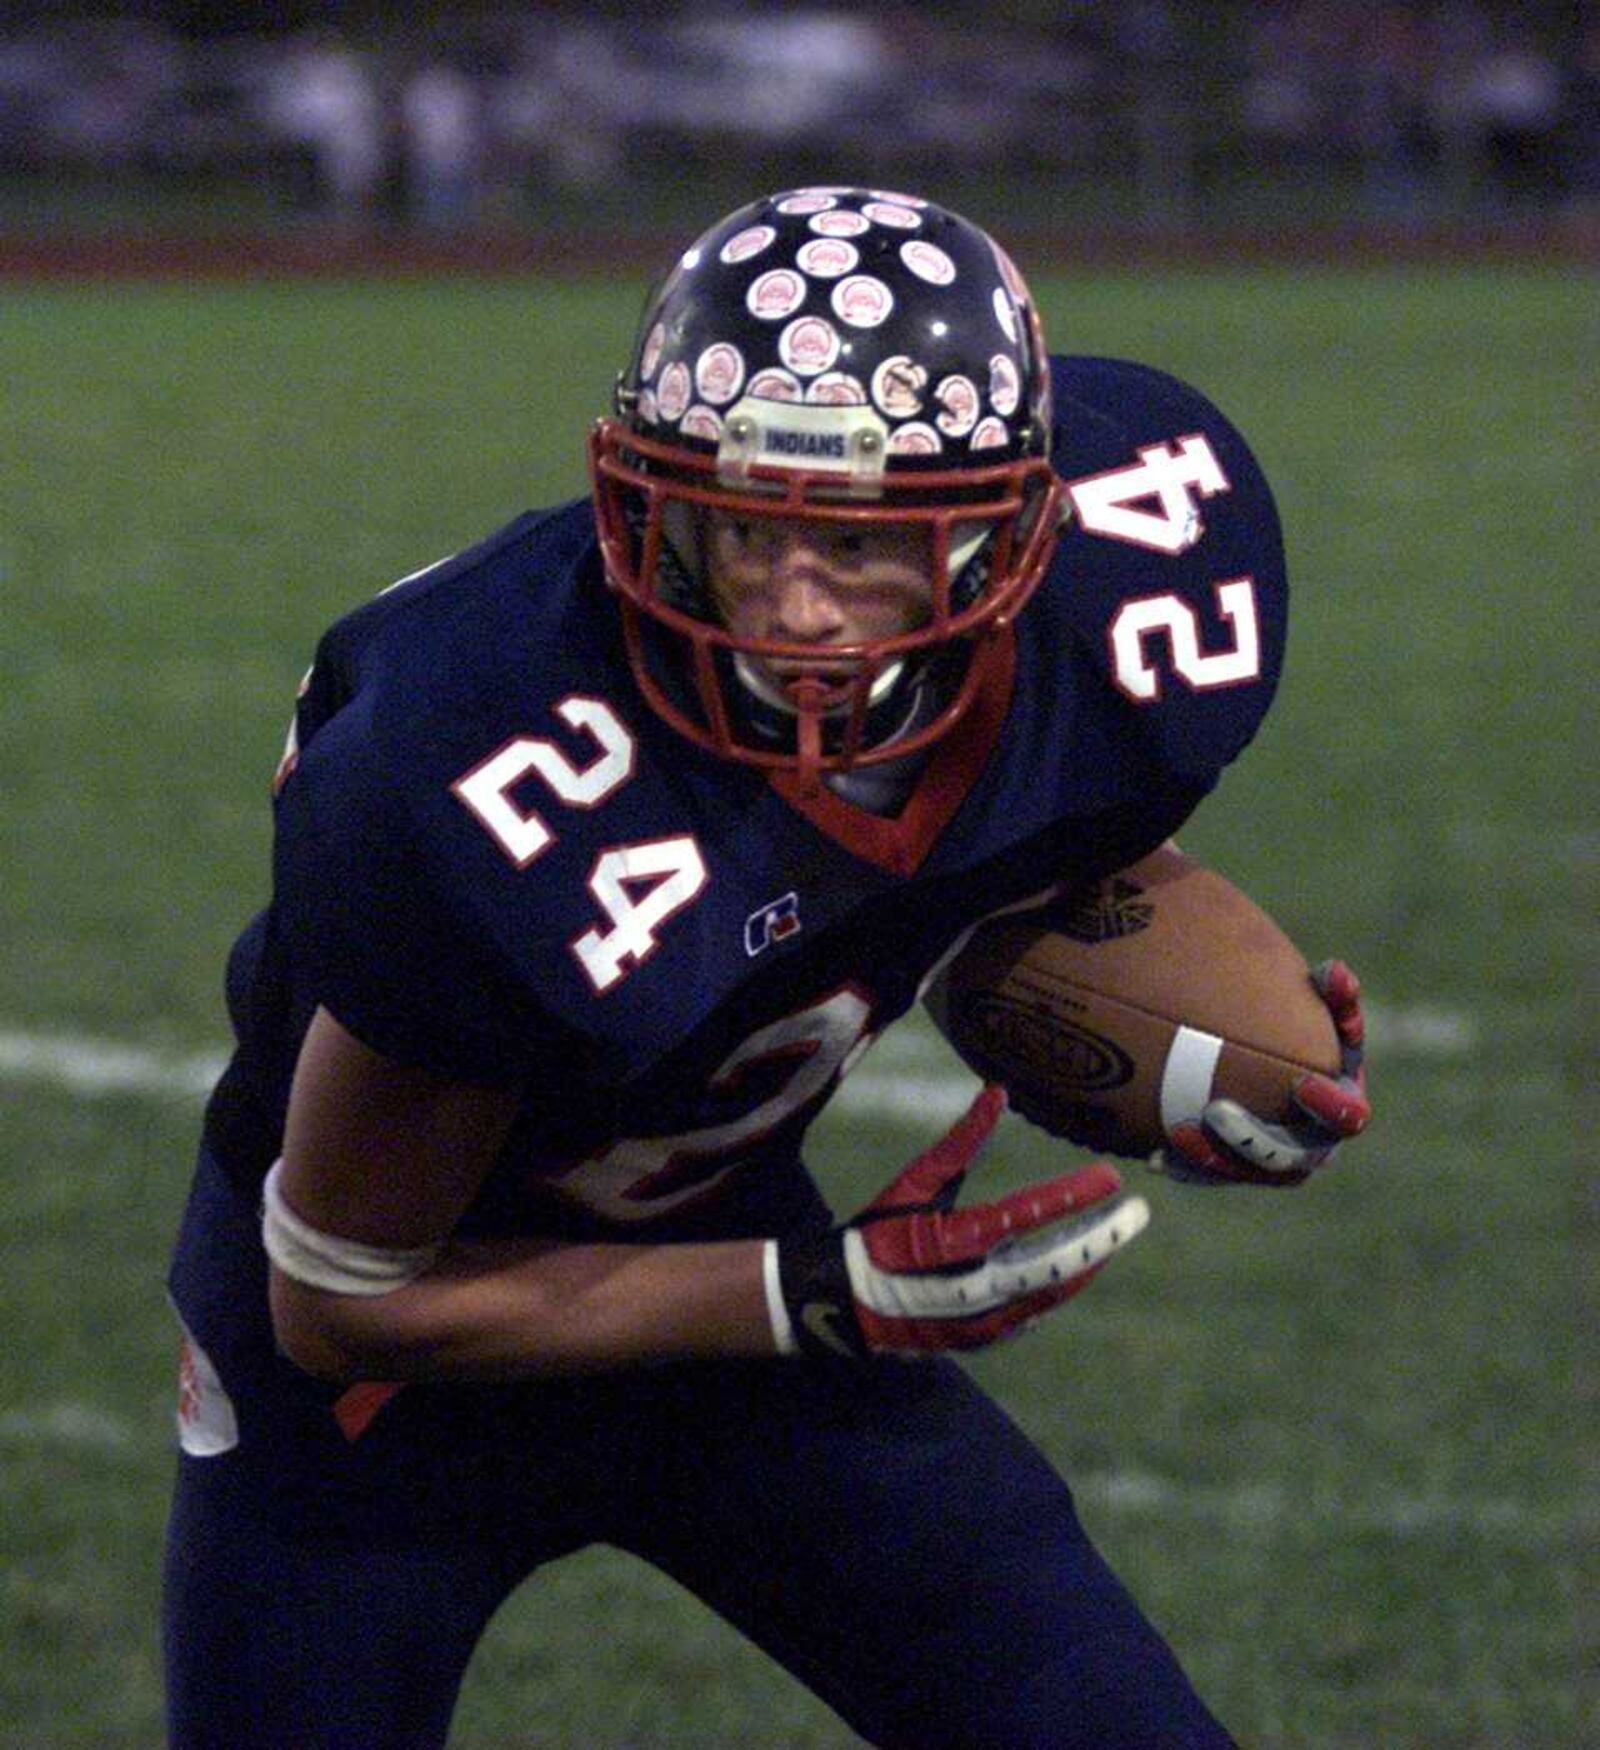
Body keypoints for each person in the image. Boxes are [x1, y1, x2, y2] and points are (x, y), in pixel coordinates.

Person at [162, 185, 1369, 1749]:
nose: (799, 607)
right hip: (382, 1394)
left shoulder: (1132, 590)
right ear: (652, 506)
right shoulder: (486, 768)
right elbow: (338, 1297)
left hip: (737, 1283)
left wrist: (1211, 1058)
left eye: (866, 544)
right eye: (749, 528)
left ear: (1012, 530)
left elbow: (1012, 863)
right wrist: (819, 1294)